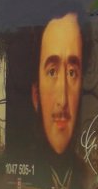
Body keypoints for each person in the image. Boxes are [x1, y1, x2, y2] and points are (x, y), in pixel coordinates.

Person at [31, 11, 83, 158]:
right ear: (36, 95)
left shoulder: (90, 176)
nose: (63, 101)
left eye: (72, 73)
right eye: (52, 72)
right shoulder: (8, 177)